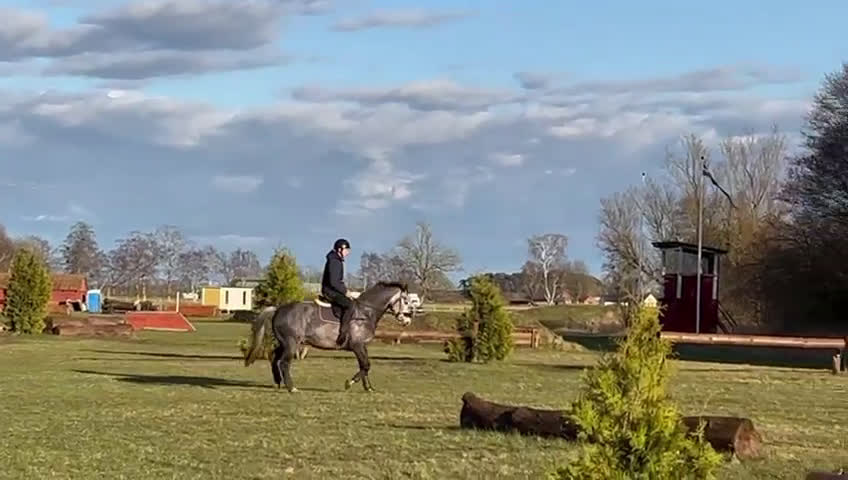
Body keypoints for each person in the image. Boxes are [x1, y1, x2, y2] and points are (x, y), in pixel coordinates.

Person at [321, 238, 354, 346]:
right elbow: (334, 282)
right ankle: (343, 334)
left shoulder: (336, 260)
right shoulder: (335, 261)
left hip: (332, 290)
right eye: (347, 250)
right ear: (340, 249)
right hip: (330, 291)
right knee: (349, 305)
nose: (348, 253)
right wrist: (346, 292)